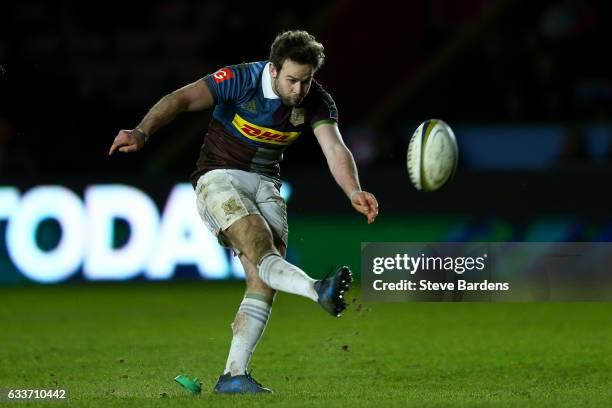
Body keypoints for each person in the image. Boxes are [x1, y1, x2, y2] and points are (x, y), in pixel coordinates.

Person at [109, 30, 379, 394]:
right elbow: (181, 99)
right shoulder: (239, 79)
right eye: (291, 80)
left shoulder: (317, 100)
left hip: (267, 185)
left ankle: (234, 375)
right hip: (219, 176)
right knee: (257, 243)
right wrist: (142, 131)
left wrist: (353, 189)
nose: (298, 90)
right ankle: (318, 290)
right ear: (272, 70)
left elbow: (334, 148)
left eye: (306, 80)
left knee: (264, 278)